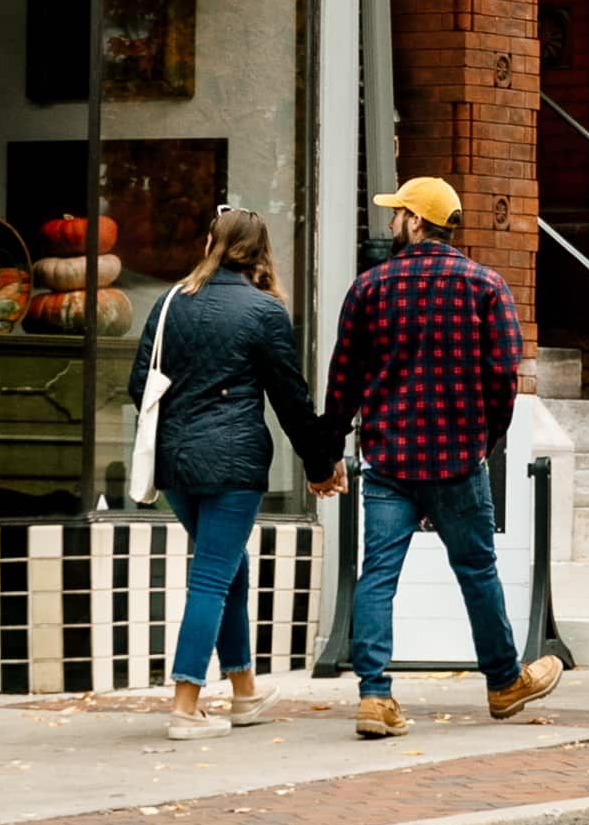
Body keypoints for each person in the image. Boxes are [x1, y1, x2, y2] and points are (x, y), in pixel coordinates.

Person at [319, 175, 560, 736]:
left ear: (418, 221)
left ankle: (375, 697)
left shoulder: (370, 288)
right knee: (477, 570)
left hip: (387, 458)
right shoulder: (486, 286)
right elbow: (504, 374)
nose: (390, 223)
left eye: (397, 213)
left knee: (378, 574)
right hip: (457, 457)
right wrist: (485, 439)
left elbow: (343, 380)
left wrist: (330, 451)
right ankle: (503, 683)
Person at [128, 208, 335, 742]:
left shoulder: (170, 302)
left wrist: (182, 425)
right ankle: (185, 705)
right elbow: (291, 399)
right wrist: (320, 465)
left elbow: (138, 385)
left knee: (227, 566)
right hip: (232, 464)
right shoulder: (263, 312)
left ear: (209, 243)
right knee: (212, 578)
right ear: (260, 252)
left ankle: (244, 691)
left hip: (175, 465)